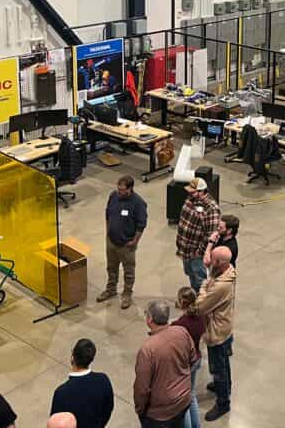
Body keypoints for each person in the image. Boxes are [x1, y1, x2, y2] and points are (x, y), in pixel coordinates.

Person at [134, 301, 197, 428]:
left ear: (150, 319)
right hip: (183, 401)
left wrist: (140, 409)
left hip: (160, 414)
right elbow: (193, 358)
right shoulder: (182, 331)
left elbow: (142, 388)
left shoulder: (147, 350)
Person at [198, 246, 237, 422]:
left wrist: (203, 288)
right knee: (223, 361)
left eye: (213, 259)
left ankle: (223, 402)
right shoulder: (227, 270)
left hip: (217, 332)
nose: (209, 262)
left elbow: (201, 306)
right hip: (225, 326)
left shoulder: (221, 286)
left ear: (220, 263)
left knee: (218, 367)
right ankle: (226, 386)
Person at [97, 175, 147, 310]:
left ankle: (127, 294)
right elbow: (107, 214)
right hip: (112, 241)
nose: (119, 192)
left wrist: (135, 241)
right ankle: (111, 289)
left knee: (128, 271)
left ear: (130, 189)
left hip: (126, 244)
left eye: (122, 190)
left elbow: (141, 225)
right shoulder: (113, 196)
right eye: (118, 189)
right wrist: (108, 232)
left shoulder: (138, 203)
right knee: (111, 267)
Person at [50, 339, 114, 428]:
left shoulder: (61, 393)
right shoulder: (103, 380)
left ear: (72, 357)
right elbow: (108, 409)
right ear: (91, 359)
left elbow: (56, 423)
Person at [177, 178, 221, 293]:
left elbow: (211, 234)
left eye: (193, 192)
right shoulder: (191, 199)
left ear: (202, 191)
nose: (190, 194)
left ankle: (202, 304)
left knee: (200, 280)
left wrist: (200, 251)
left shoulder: (211, 209)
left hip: (197, 253)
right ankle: (194, 296)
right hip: (185, 248)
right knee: (190, 274)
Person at [173, 288, 206, 428]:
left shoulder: (180, 325)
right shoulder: (201, 317)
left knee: (182, 402)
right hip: (196, 358)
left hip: (184, 364)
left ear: (181, 303)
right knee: (191, 395)